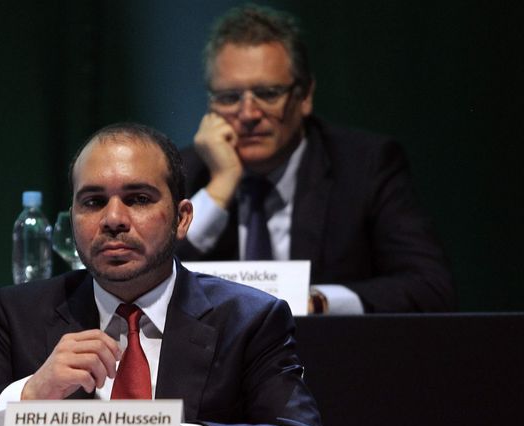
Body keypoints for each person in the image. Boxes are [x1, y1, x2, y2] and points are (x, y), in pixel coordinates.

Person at [0, 122, 328, 426]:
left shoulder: (249, 318)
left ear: (182, 218)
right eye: (94, 201)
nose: (114, 219)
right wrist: (29, 395)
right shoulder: (20, 313)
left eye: (138, 199)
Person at [176, 4, 456, 314]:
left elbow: (429, 287)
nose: (248, 114)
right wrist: (221, 186)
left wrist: (318, 302)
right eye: (229, 98)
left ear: (305, 96)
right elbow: (144, 283)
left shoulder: (364, 166)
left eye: (268, 94)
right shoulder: (185, 172)